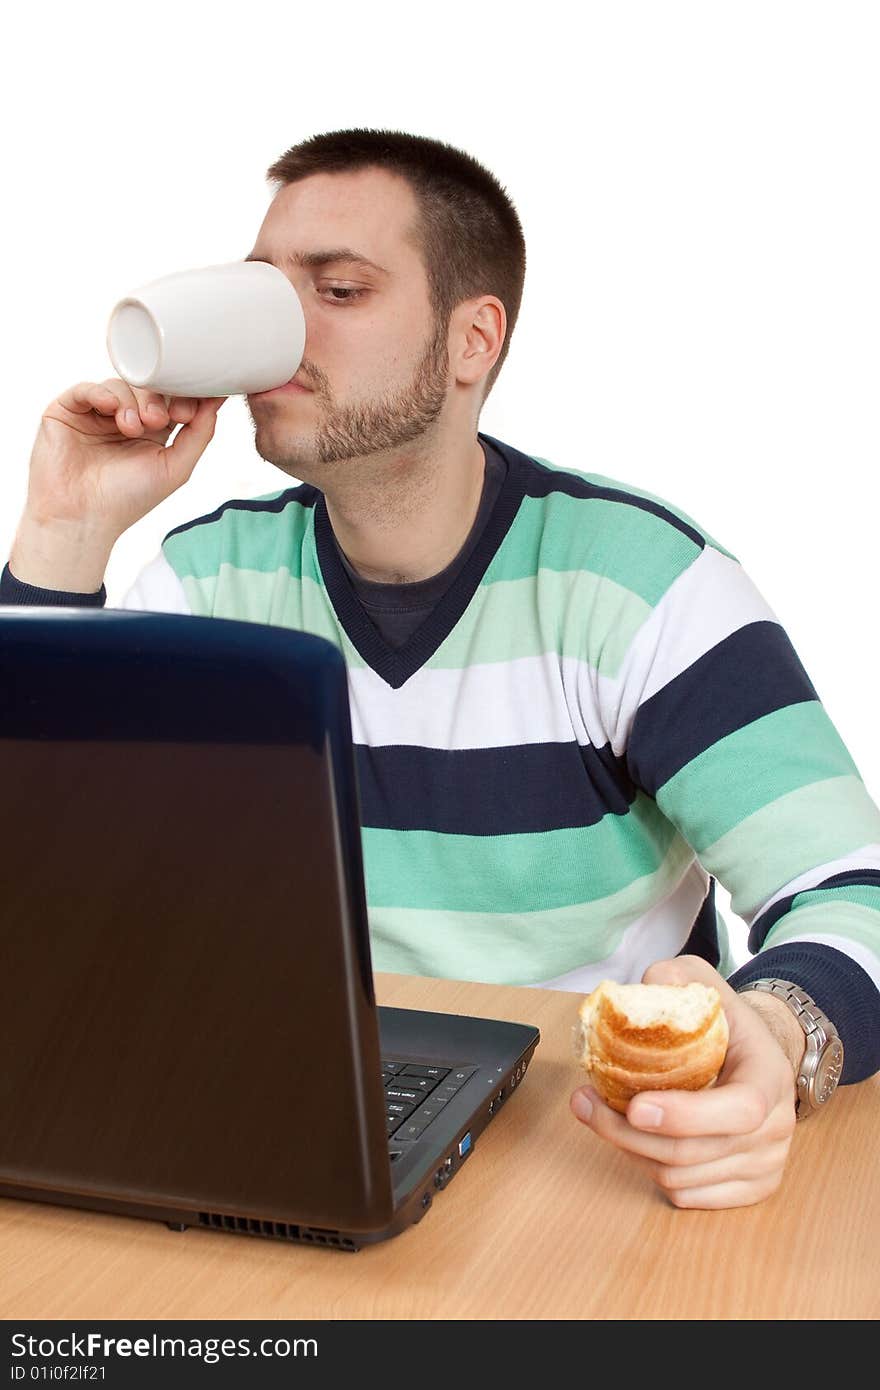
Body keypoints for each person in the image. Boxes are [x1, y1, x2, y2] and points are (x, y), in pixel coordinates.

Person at [3, 128, 878, 1211]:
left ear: (472, 341)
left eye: (337, 289)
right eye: (262, 291)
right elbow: (40, 893)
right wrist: (62, 529)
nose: (278, 331)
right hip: (274, 1112)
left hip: (581, 1156)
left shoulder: (638, 583)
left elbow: (850, 888)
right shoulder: (209, 574)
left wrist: (778, 1039)